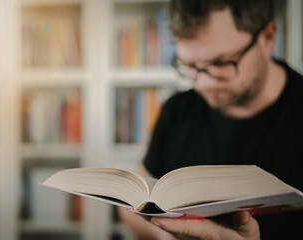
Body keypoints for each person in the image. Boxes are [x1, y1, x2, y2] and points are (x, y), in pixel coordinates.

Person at [118, 0, 303, 239]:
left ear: (268, 37)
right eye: (190, 65)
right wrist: (171, 236)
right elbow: (130, 210)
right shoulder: (177, 110)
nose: (203, 84)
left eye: (222, 62)